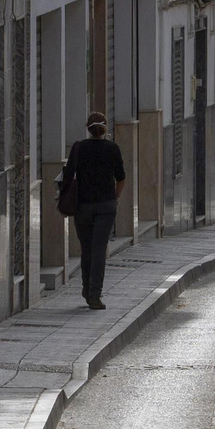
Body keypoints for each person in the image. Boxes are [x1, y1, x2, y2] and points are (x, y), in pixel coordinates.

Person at [64, 111, 125, 310]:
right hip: (106, 206)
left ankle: (86, 288)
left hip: (83, 206)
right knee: (99, 250)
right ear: (105, 128)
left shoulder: (79, 148)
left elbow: (68, 176)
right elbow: (121, 177)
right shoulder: (112, 148)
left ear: (88, 128)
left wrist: (64, 201)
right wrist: (115, 197)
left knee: (87, 248)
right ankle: (94, 294)